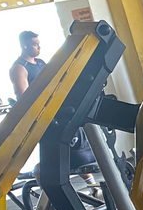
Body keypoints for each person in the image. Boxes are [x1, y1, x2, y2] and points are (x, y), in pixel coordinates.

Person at [10, 30, 97, 173]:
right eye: (35, 44)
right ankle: (43, 178)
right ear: (24, 45)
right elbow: (24, 97)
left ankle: (91, 183)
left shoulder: (40, 63)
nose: (39, 47)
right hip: (43, 117)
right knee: (53, 157)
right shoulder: (19, 68)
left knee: (75, 150)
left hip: (56, 111)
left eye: (39, 44)